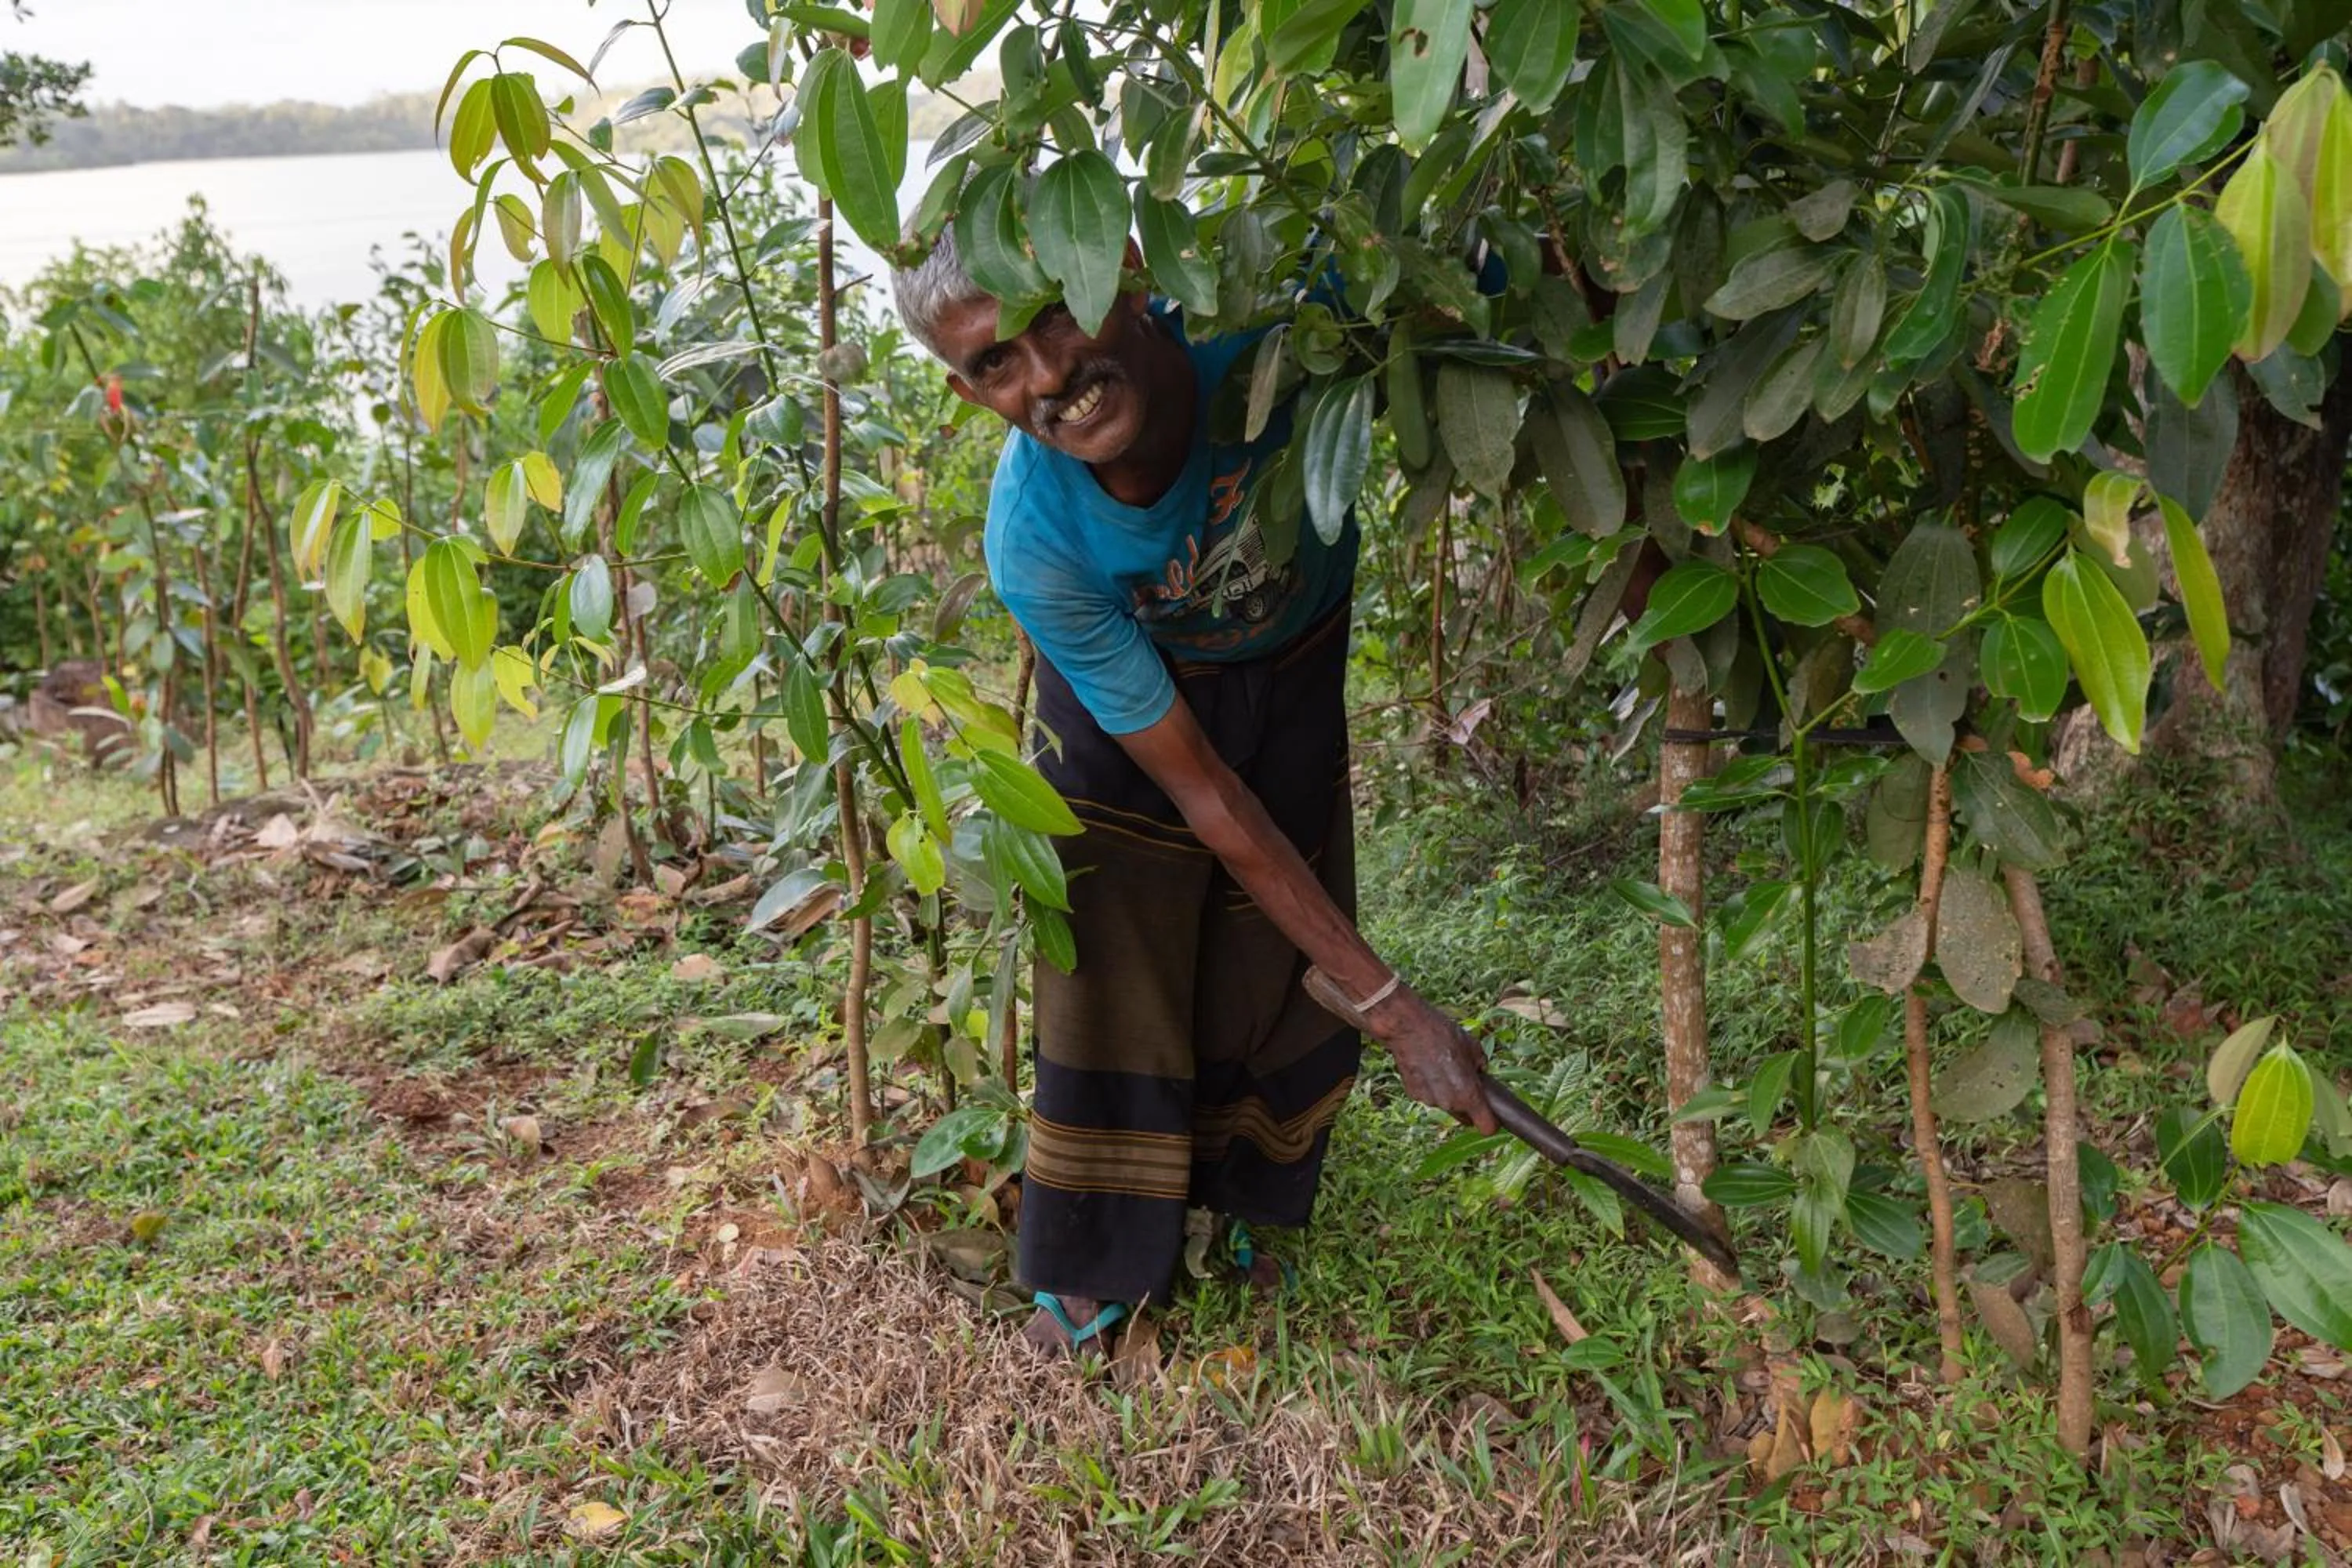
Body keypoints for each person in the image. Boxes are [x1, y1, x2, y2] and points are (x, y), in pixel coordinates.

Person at [892, 230, 1497, 1356]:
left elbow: (1496, 284)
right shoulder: (1038, 540)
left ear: (1124, 266)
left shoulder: (1281, 325)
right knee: (1113, 940)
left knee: (1276, 931)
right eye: (995, 365)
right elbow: (1208, 798)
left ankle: (1243, 1204)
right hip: (1131, 705)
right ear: (966, 389)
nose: (1049, 376)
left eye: (1053, 317)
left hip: (1292, 647)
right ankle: (1096, 1262)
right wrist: (1396, 1007)